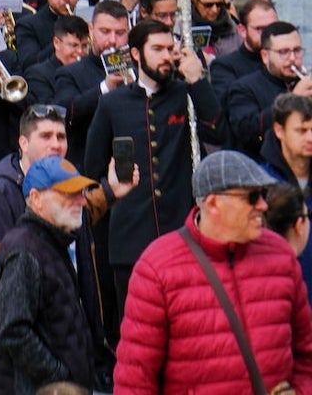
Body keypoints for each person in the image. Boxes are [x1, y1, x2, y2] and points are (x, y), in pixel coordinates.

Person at [115, 150, 312, 394]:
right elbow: (135, 380)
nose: (263, 205)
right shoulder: (157, 268)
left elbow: (307, 354)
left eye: (264, 195)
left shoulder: (280, 255)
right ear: (213, 203)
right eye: (252, 197)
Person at [86, 20, 227, 316]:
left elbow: (218, 132)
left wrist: (198, 82)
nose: (166, 55)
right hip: (130, 237)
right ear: (136, 54)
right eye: (158, 49)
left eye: (170, 49)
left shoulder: (184, 94)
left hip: (181, 231)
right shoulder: (113, 103)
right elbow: (93, 168)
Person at [0, 156, 99, 395]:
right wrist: (59, 378)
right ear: (36, 199)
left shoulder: (52, 242)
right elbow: (13, 331)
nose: (81, 201)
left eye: (80, 192)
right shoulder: (24, 251)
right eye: (67, 194)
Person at [227, 21, 312, 160]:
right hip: (264, 170)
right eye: (283, 52)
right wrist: (292, 99)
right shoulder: (244, 87)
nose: (292, 58)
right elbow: (247, 131)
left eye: (297, 51)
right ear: (265, 56)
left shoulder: (304, 84)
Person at [260, 94, 312, 305]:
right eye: (301, 130)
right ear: (279, 130)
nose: (310, 137)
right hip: (278, 302)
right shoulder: (260, 185)